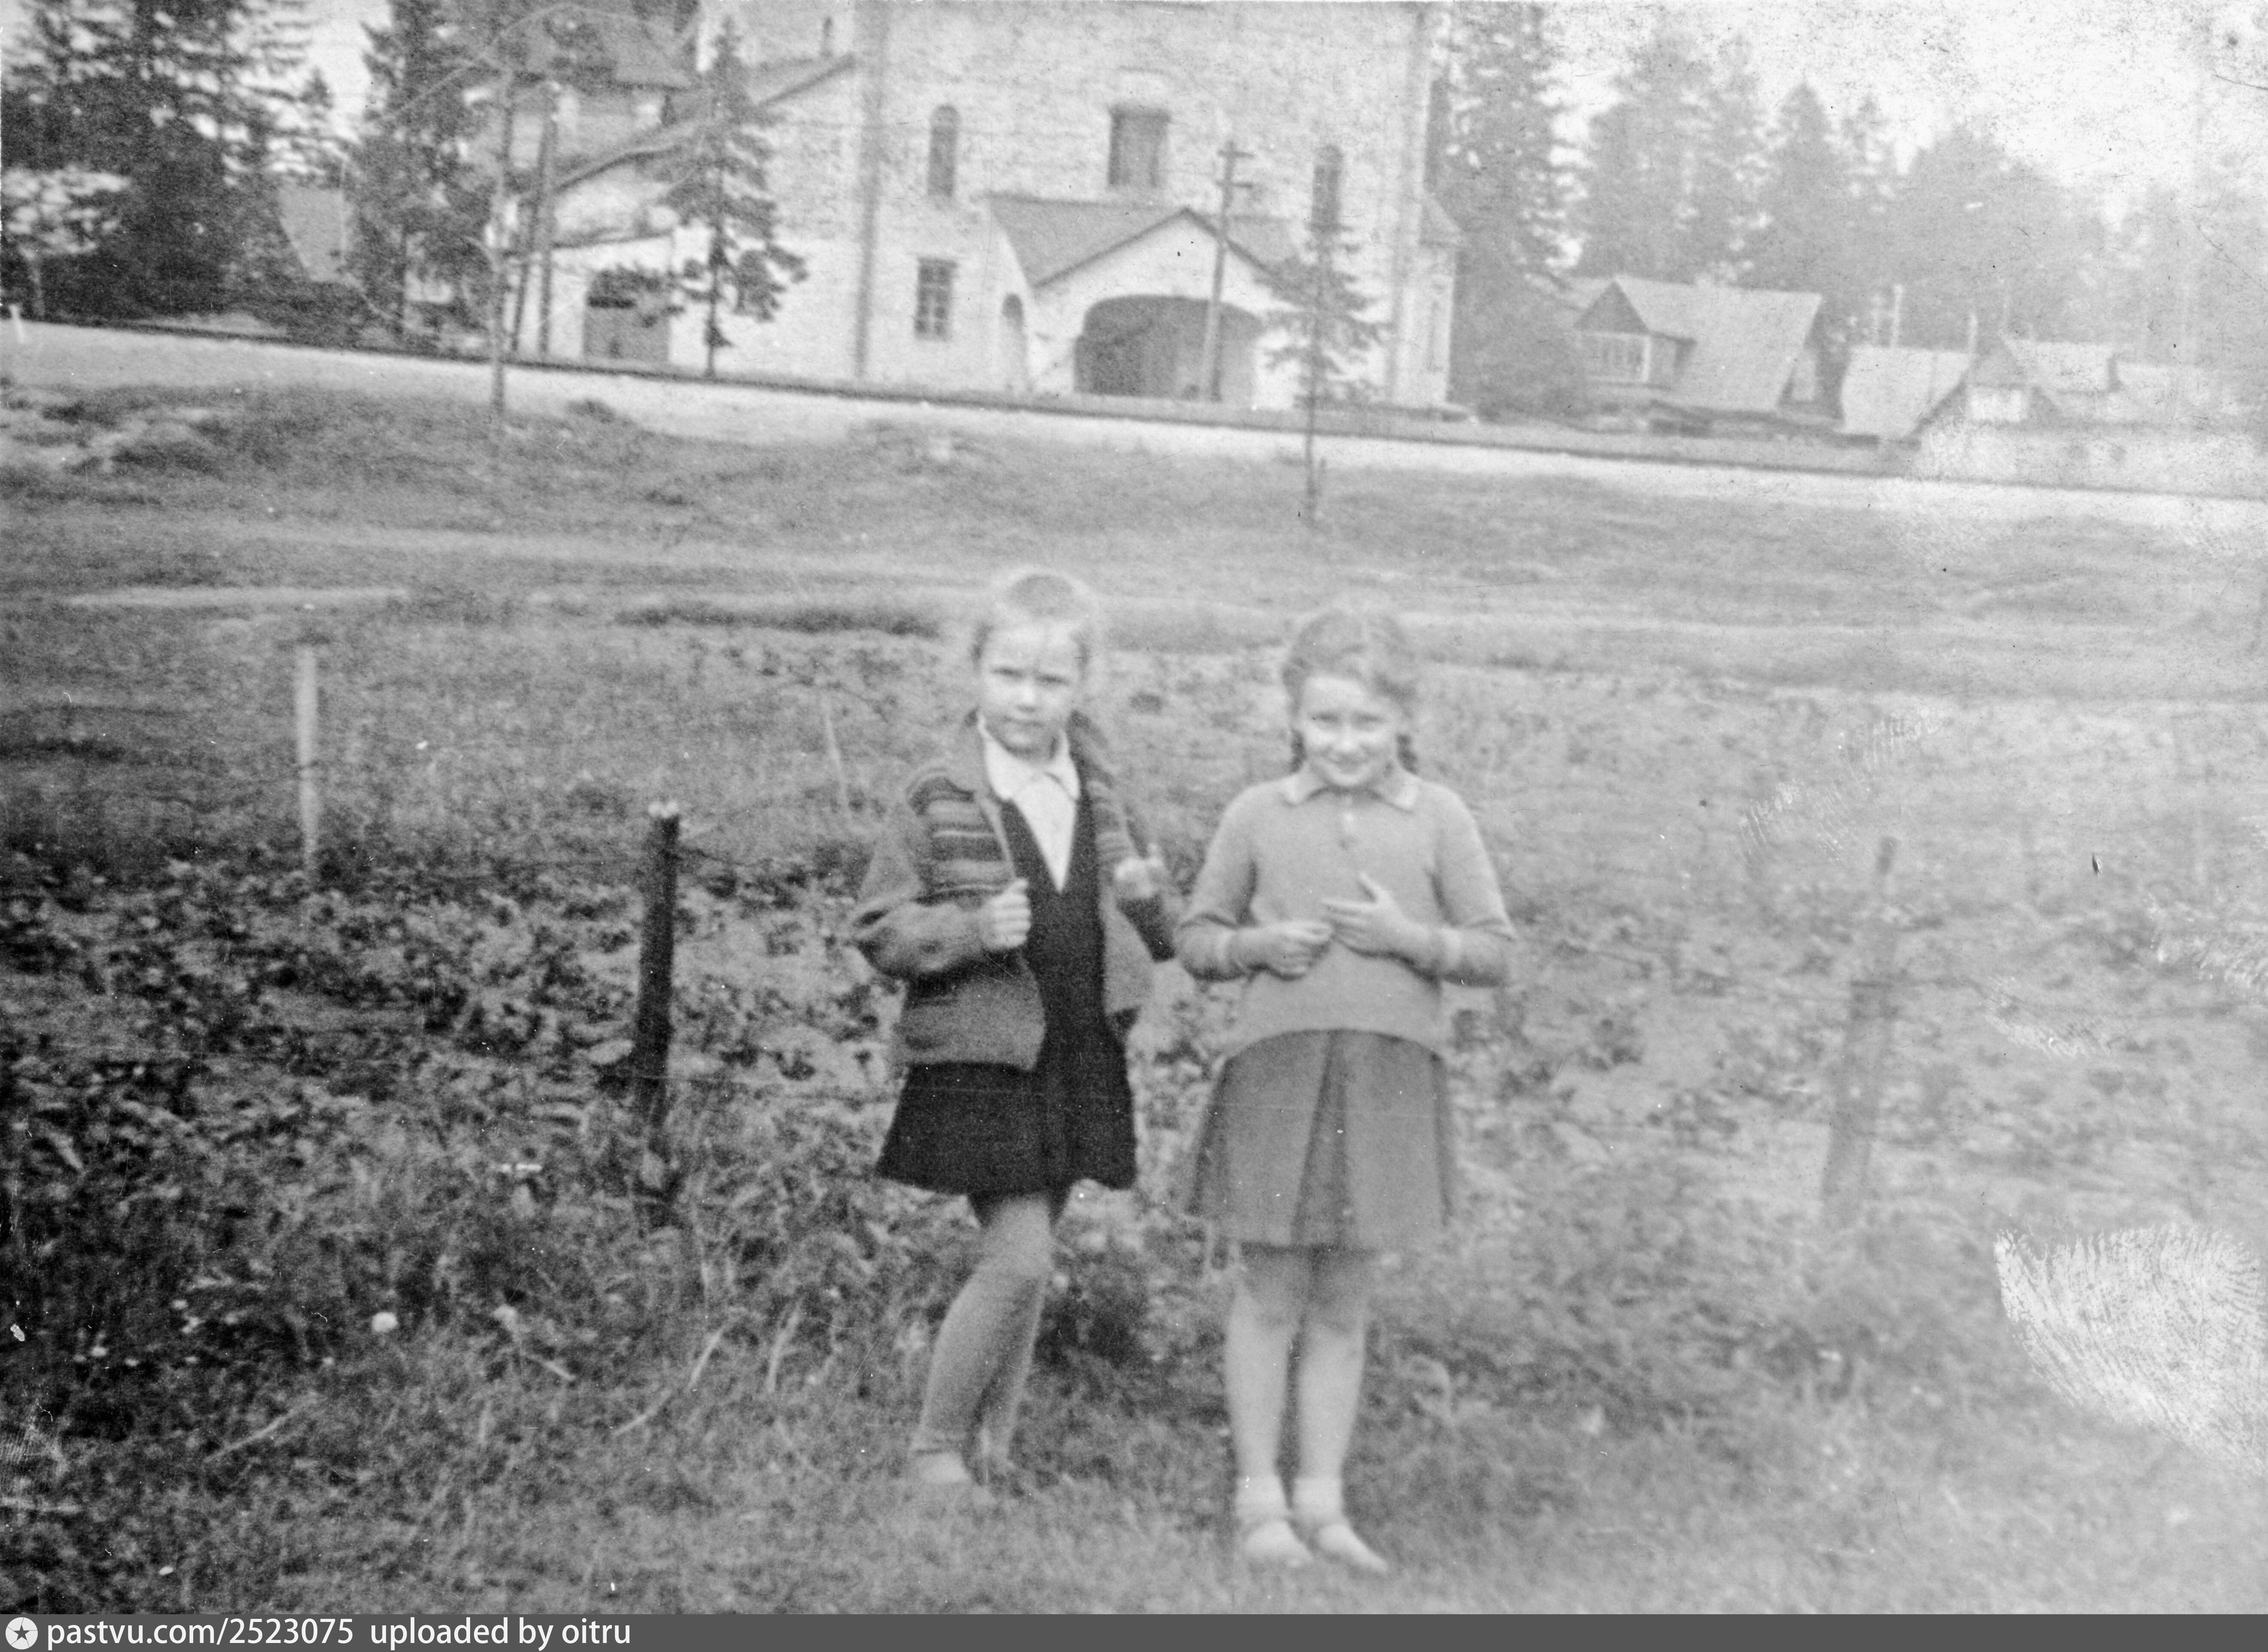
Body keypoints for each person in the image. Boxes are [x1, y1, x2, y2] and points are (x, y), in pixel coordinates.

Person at [1176, 604, 1515, 1572]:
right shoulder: (1256, 813)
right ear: (1293, 717)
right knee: (1270, 1287)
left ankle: (1323, 1504)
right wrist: (1256, 945)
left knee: (1344, 1297)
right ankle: (1260, 1504)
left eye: (1368, 722)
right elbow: (1197, 937)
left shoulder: (1440, 816)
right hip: (1280, 1070)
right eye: (1325, 721)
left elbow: (1494, 949)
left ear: (1404, 718)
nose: (1346, 742)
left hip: (1388, 1077)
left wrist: (1411, 940)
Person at [851, 566, 1178, 1498]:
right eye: (1008, 675)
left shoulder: (1104, 793)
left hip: (1077, 1047)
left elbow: (1160, 933)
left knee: (1026, 1265)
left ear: (1083, 685)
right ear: (975, 670)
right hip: (982, 1057)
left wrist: (1148, 900)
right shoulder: (936, 795)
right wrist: (967, 930)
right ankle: (934, 1452)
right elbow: (878, 928)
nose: (1027, 699)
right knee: (1020, 1256)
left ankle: (993, 1451)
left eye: (1050, 680)